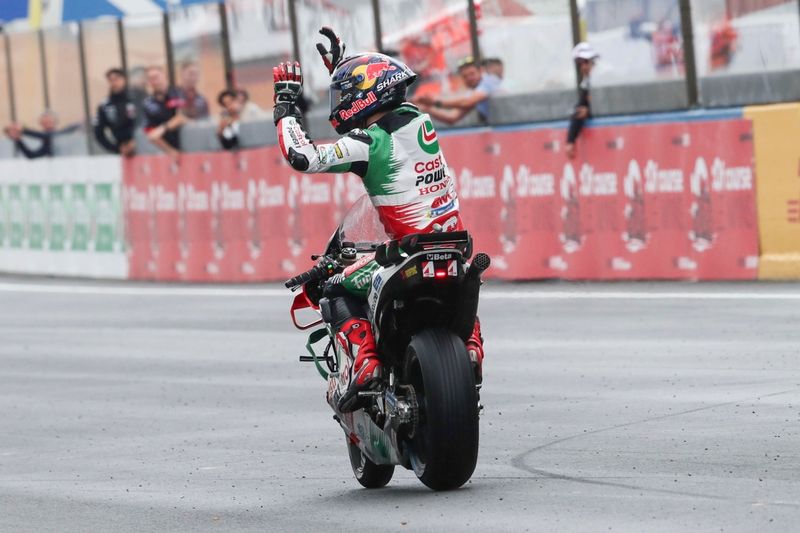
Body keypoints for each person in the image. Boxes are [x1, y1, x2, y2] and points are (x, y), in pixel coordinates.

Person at [273, 27, 485, 413]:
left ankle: (366, 361)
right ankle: (471, 348)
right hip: (453, 246)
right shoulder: (420, 122)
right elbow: (375, 91)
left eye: (343, 95)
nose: (339, 104)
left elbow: (302, 157)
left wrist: (285, 106)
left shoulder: (369, 143)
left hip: (403, 254)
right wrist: (344, 68)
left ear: (363, 98)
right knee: (462, 281)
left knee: (336, 288)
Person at [412, 56, 501, 125]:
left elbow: (468, 102)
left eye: (472, 74)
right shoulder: (472, 93)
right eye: (465, 76)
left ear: (481, 71)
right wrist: (426, 107)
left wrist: (435, 101)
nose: (469, 78)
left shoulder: (489, 80)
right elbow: (452, 117)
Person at [142, 66, 185, 158]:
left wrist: (163, 128)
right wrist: (170, 151)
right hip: (170, 149)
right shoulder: (148, 103)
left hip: (188, 143)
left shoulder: (178, 92)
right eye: (151, 79)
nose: (155, 81)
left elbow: (182, 117)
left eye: (156, 77)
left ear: (165, 76)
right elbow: (150, 132)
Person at [566, 42, 599, 160]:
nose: (583, 67)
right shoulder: (586, 83)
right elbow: (580, 108)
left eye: (586, 62)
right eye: (580, 64)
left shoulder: (604, 77)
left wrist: (589, 111)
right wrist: (571, 140)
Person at [93, 68, 136, 156]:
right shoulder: (105, 105)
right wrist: (116, 148)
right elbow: (98, 132)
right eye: (110, 80)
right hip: (122, 151)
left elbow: (143, 123)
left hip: (145, 147)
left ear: (124, 80)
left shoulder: (136, 99)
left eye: (116, 79)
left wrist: (137, 140)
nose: (114, 83)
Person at [3, 110, 79, 159]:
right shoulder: (47, 140)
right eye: (44, 123)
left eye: (49, 122)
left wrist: (23, 130)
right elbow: (32, 155)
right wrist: (18, 140)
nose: (47, 125)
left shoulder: (63, 133)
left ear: (56, 122)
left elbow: (50, 135)